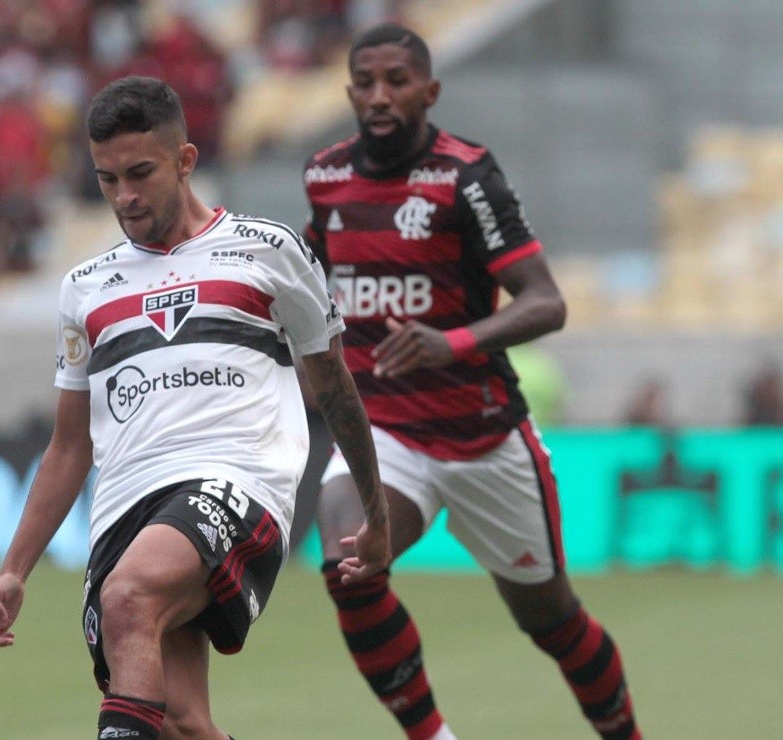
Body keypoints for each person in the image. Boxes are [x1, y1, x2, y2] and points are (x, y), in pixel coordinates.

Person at [0, 75, 392, 740]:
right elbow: (69, 448)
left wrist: (376, 511)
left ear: (186, 160)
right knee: (180, 721)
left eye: (140, 173)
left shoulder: (269, 249)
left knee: (130, 597)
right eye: (108, 179)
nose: (125, 197)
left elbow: (336, 387)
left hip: (235, 481)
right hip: (125, 510)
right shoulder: (85, 288)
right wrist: (13, 571)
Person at [302, 23, 641, 740]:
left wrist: (451, 343)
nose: (380, 95)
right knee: (351, 560)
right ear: (349, 92)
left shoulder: (464, 176)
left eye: (397, 80)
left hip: (483, 438)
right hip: (386, 434)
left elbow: (546, 301)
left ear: (430, 90)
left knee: (551, 621)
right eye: (366, 82)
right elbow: (311, 281)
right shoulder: (326, 178)